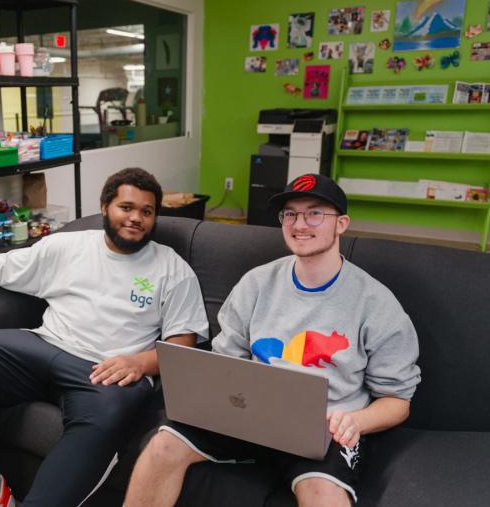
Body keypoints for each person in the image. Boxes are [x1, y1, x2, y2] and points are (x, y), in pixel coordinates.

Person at [0, 167, 209, 507]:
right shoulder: (67, 245)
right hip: (46, 345)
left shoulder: (172, 269)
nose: (136, 218)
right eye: (127, 207)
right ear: (105, 206)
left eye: (146, 212)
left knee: (105, 419)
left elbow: (183, 347)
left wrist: (139, 362)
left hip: (107, 370)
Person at [124, 173, 421, 507]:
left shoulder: (376, 303)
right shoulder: (256, 283)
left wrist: (354, 421)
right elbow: (225, 364)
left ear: (342, 224)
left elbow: (398, 401)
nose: (300, 224)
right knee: (162, 446)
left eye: (314, 213)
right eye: (290, 214)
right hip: (248, 414)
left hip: (323, 429)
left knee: (325, 497)